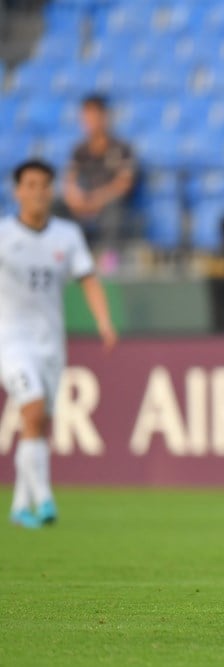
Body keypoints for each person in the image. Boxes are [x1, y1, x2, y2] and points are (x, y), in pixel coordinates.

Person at [2, 159, 117, 529]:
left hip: (51, 343)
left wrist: (103, 321)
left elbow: (88, 278)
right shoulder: (3, 234)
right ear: (17, 190)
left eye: (44, 185)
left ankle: (20, 506)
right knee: (32, 411)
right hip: (11, 342)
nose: (38, 192)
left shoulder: (66, 235)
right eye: (30, 184)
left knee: (39, 423)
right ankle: (45, 496)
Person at [62, 94, 136, 259]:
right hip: (84, 202)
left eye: (94, 115)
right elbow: (70, 180)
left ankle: (109, 261)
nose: (89, 121)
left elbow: (123, 184)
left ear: (104, 116)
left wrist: (97, 200)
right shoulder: (79, 150)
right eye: (86, 116)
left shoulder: (121, 148)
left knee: (113, 210)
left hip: (108, 202)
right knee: (56, 205)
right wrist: (75, 198)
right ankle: (64, 259)